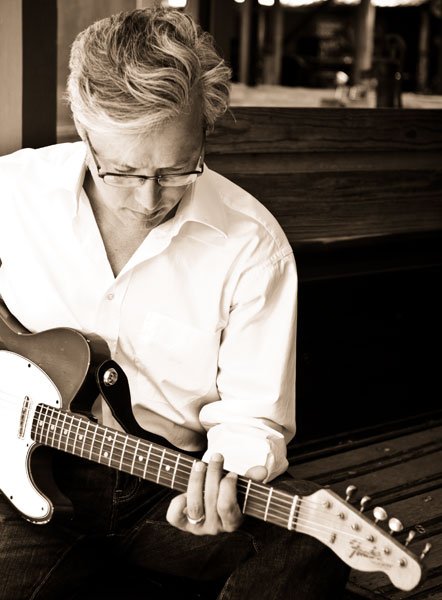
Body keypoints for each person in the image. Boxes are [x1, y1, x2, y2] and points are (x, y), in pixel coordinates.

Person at [0, 7, 349, 599]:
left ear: (204, 131)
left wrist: (225, 480)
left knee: (313, 545)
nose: (148, 199)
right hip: (15, 475)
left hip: (163, 486)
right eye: (122, 172)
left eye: (176, 170)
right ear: (83, 129)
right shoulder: (13, 191)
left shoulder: (252, 245)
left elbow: (253, 415)